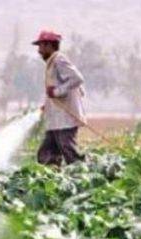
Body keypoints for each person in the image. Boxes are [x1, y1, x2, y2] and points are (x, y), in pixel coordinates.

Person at [32, 30, 86, 166]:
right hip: (56, 120)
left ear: (49, 45)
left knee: (69, 151)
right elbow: (53, 89)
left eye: (41, 46)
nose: (39, 51)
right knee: (46, 153)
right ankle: (52, 174)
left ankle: (82, 172)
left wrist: (57, 92)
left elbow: (77, 78)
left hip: (66, 119)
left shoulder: (59, 60)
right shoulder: (52, 62)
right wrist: (47, 105)